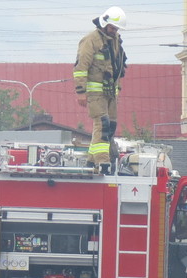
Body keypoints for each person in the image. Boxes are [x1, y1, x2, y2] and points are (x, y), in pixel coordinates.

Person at [74, 6, 128, 174]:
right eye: (112, 27)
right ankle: (102, 161)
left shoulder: (116, 40)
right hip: (96, 93)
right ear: (104, 23)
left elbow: (117, 66)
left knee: (110, 126)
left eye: (117, 28)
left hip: (110, 92)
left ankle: (92, 159)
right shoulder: (91, 40)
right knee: (102, 124)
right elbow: (81, 67)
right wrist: (81, 91)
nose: (114, 30)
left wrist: (116, 89)